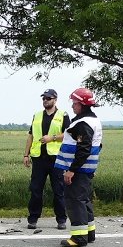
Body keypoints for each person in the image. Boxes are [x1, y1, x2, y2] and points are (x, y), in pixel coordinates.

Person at [54, 87, 102, 247]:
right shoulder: (93, 120)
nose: (73, 106)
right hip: (85, 169)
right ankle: (89, 233)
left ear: (82, 104)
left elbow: (84, 149)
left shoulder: (83, 123)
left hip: (78, 170)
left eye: (75, 103)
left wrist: (72, 170)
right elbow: (97, 146)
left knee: (75, 201)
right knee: (83, 199)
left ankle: (79, 238)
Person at [23, 88, 70, 229]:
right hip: (38, 158)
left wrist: (52, 138)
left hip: (56, 158)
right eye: (44, 98)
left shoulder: (63, 115)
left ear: (55, 100)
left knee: (58, 191)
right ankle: (33, 219)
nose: (45, 101)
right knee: (36, 189)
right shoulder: (37, 116)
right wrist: (26, 155)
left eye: (48, 98)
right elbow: (31, 135)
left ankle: (61, 219)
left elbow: (68, 134)